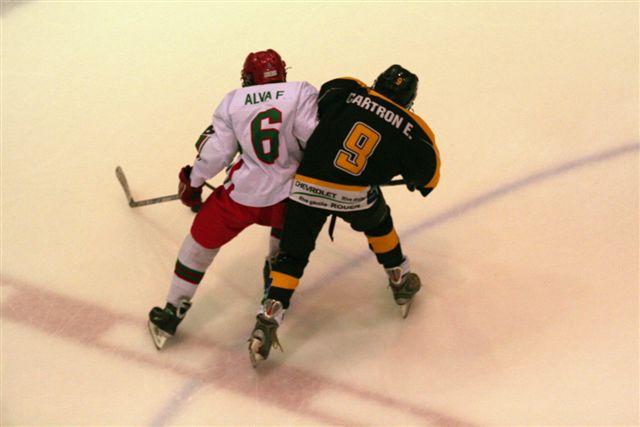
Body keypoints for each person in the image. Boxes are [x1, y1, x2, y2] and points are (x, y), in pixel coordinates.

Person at [248, 65, 441, 366]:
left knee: (293, 254)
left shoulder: (347, 89)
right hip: (353, 196)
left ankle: (269, 312)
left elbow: (323, 103)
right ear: (409, 101)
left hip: (307, 186)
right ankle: (399, 279)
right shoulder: (415, 130)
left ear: (377, 81)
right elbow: (428, 179)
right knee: (379, 223)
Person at [147, 49, 319, 350]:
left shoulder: (233, 101)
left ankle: (173, 311)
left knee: (197, 245)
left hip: (243, 197)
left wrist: (194, 182)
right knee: (283, 247)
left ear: (248, 77)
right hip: (292, 194)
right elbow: (314, 138)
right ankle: (272, 299)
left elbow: (217, 152)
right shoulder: (301, 91)